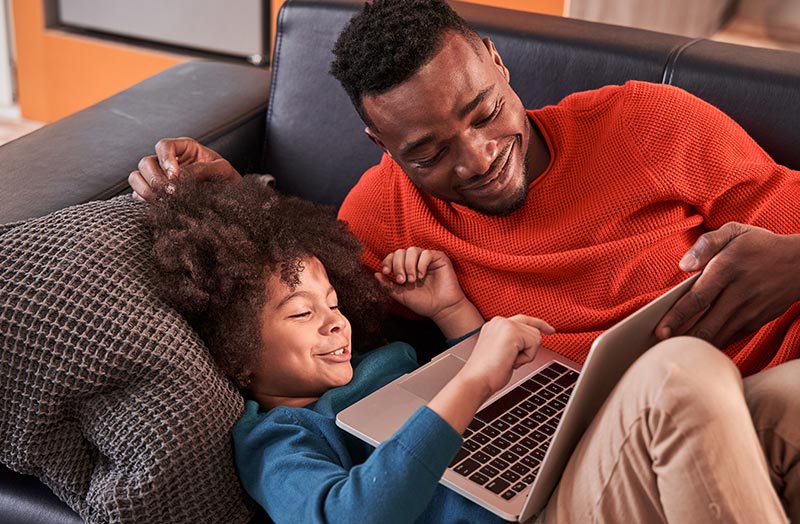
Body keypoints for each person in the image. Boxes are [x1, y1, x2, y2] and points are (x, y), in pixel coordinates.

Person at [132, 1, 799, 521]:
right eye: (428, 153)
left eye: (484, 113)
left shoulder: (651, 122)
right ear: (381, 142)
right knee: (682, 372)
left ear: (495, 59)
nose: (477, 158)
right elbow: (278, 292)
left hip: (763, 387)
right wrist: (232, 192)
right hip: (605, 449)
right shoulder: (382, 218)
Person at [147, 177, 555, 523]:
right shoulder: (279, 438)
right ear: (236, 350)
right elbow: (350, 515)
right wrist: (474, 379)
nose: (337, 322)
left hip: (544, 471)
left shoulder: (380, 360)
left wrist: (452, 312)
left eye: (334, 302)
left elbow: (494, 398)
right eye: (302, 313)